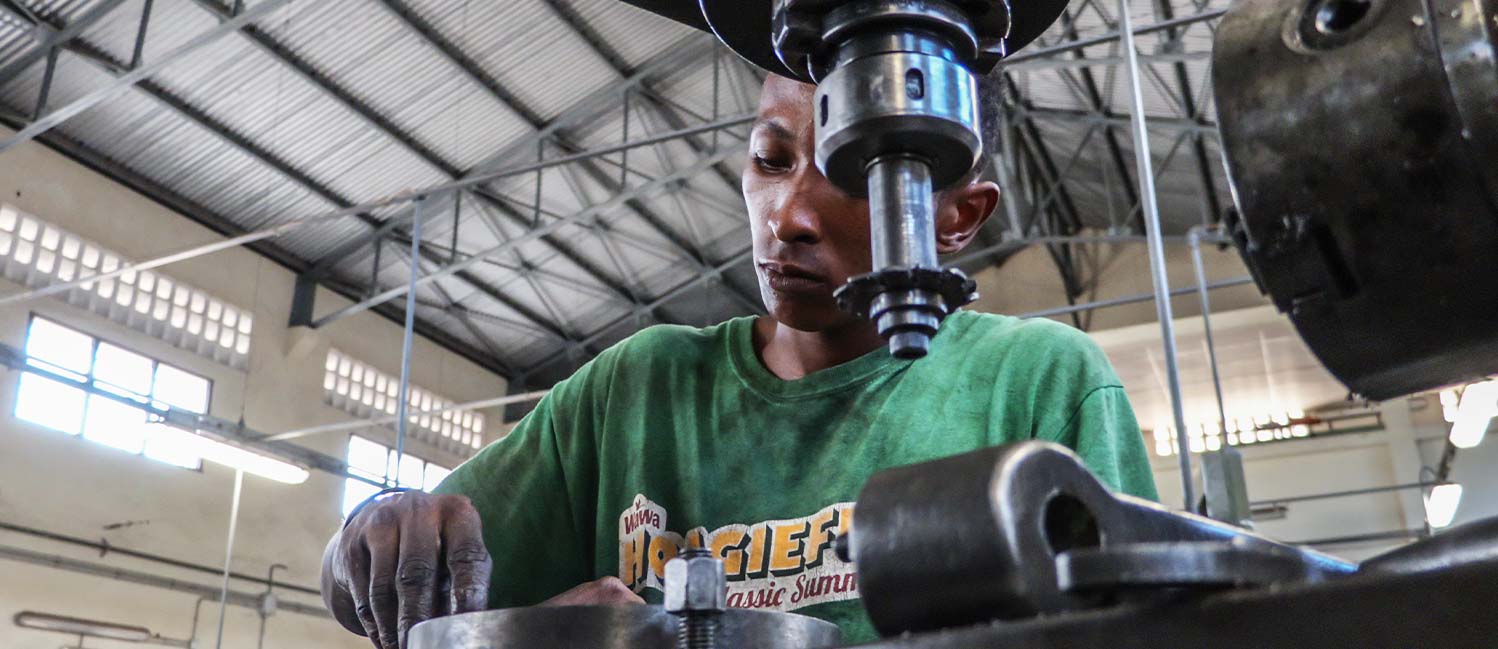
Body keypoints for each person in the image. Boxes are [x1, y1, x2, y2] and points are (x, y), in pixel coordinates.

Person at [320, 72, 1158, 649]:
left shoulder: (1040, 387)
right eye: (771, 159)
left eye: (851, 170)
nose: (787, 214)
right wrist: (374, 530)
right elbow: (368, 593)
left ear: (958, 215)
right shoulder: (636, 390)